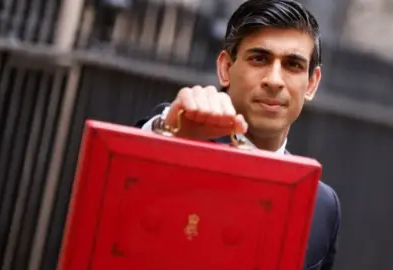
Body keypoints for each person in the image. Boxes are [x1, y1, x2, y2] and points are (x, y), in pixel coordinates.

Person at [135, 0, 341, 269]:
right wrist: (171, 136)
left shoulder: (323, 205)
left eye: (292, 65)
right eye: (259, 59)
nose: (274, 80)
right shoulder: (181, 133)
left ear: (312, 84)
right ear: (225, 68)